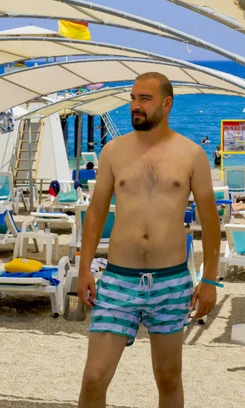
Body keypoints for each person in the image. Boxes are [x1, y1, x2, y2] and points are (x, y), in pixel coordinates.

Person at [77, 72, 221, 408]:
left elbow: (210, 221)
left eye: (145, 99)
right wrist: (85, 268)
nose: (135, 106)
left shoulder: (192, 155)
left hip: (171, 282)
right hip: (118, 280)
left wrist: (210, 278)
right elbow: (96, 213)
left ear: (167, 104)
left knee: (168, 378)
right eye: (133, 98)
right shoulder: (113, 152)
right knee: (94, 377)